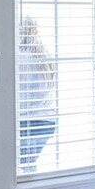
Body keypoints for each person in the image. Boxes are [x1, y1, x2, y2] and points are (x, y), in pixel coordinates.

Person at [18, 16, 57, 173]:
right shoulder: (45, 56)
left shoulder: (19, 58)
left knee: (23, 170)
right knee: (28, 166)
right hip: (47, 122)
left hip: (28, 122)